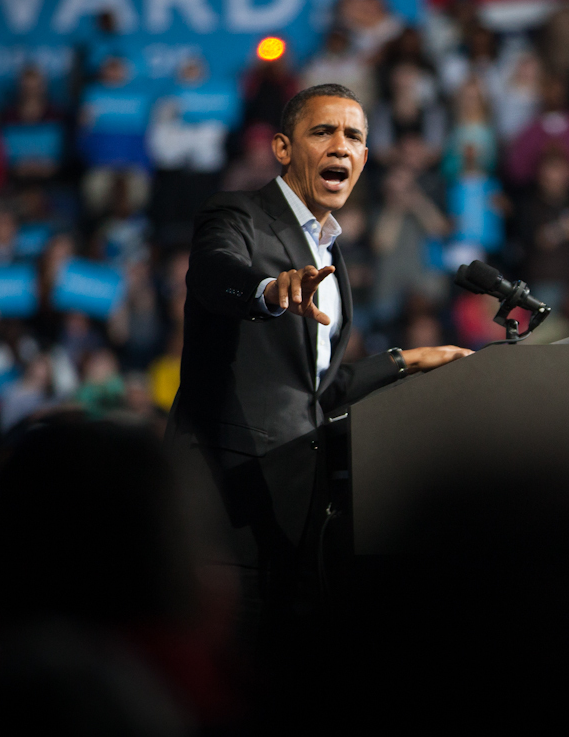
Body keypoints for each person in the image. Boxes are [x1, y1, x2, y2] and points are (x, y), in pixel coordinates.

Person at [164, 84, 470, 652]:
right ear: (283, 148)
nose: (340, 145)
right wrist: (264, 291)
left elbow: (313, 393)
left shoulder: (330, 255)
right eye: (322, 131)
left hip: (296, 516)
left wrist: (406, 361)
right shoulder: (238, 214)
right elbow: (211, 276)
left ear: (365, 159)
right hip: (222, 507)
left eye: (353, 136)